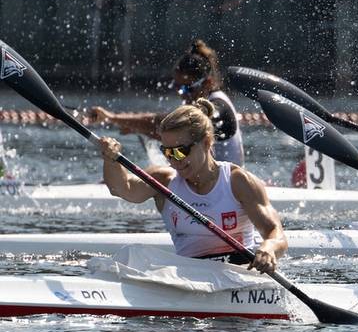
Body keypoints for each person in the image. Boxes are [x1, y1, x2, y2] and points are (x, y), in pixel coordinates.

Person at [95, 99, 286, 274]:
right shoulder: (164, 181)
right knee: (131, 254)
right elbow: (123, 188)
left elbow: (275, 233)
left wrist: (269, 248)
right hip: (189, 276)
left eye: (181, 151)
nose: (174, 160)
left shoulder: (238, 181)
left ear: (206, 142)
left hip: (239, 274)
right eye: (167, 152)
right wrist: (111, 160)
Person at [90, 40, 244, 166]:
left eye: (187, 88)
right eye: (177, 87)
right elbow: (172, 131)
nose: (181, 93)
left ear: (207, 83)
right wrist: (138, 127)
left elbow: (159, 123)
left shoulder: (218, 105)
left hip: (228, 186)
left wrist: (111, 117)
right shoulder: (199, 105)